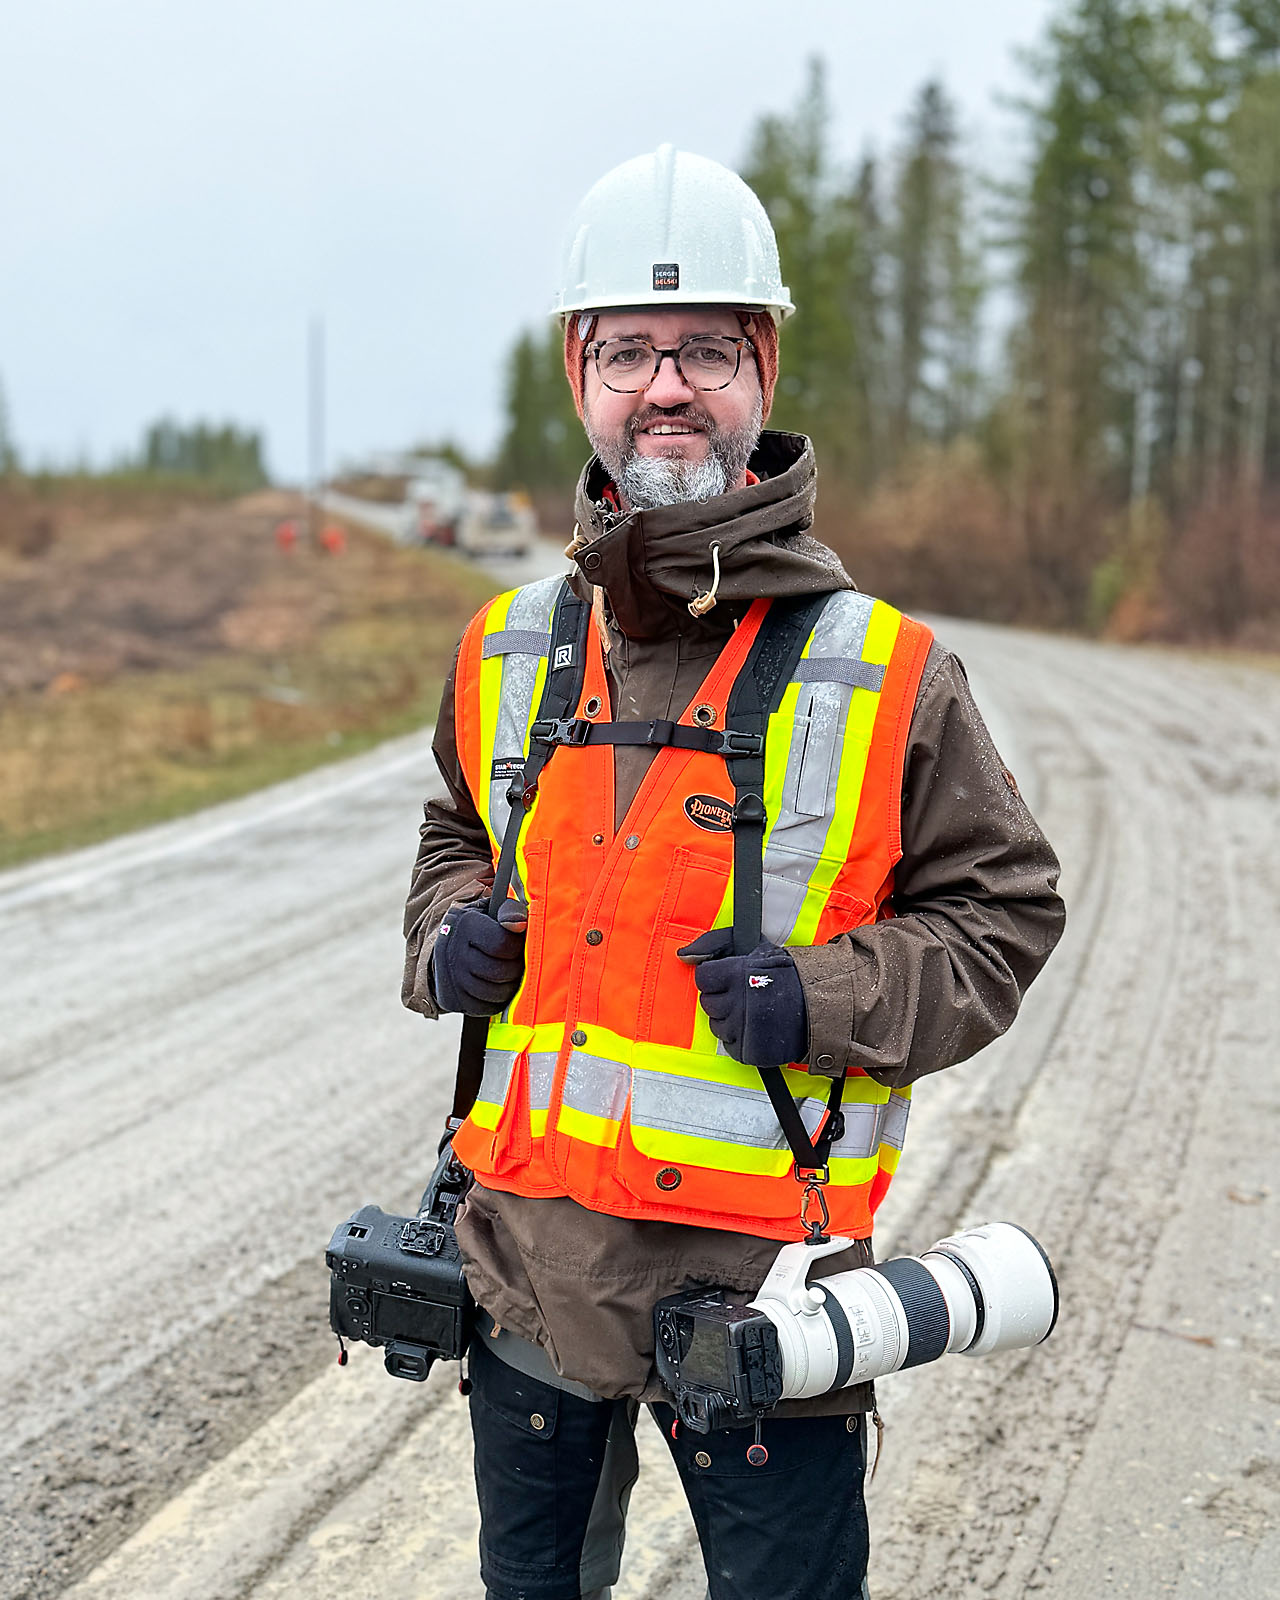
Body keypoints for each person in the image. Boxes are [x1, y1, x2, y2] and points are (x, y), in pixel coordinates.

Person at [402, 146, 1065, 1600]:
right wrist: (448, 930)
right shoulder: (507, 644)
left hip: (766, 1293)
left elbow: (1006, 914)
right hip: (529, 1276)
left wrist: (826, 996)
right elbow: (455, 835)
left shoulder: (884, 669)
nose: (667, 388)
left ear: (761, 370)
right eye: (629, 353)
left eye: (705, 349)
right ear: (580, 375)